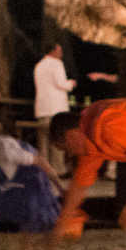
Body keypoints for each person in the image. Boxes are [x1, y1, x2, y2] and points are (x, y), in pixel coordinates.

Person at [48, 93, 126, 240]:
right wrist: (63, 223)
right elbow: (79, 183)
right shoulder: (90, 135)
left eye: (66, 149)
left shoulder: (108, 127)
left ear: (71, 135)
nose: (70, 154)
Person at [34, 43, 76, 174]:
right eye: (60, 51)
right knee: (57, 139)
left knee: (43, 142)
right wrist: (71, 83)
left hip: (42, 108)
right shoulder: (56, 64)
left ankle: (43, 169)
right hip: (55, 109)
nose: (61, 54)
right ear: (53, 52)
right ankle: (58, 169)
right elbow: (60, 83)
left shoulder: (39, 65)